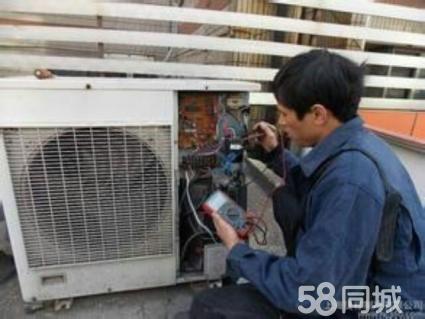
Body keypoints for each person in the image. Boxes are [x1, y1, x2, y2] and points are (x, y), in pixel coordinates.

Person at [189, 49, 425, 318]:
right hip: (356, 282)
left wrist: (238, 249)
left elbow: (310, 292)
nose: (280, 123)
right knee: (284, 197)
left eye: (284, 113)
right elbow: (316, 183)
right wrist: (277, 153)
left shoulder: (352, 182)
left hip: (379, 306)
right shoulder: (359, 143)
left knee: (209, 307)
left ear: (318, 114)